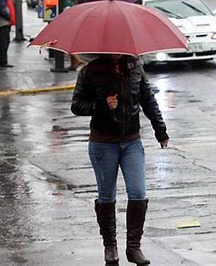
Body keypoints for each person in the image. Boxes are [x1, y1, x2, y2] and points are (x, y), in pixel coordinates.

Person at [71, 54, 169, 265]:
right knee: (106, 196)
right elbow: (76, 105)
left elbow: (148, 100)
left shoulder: (135, 67)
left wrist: (160, 129)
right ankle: (110, 246)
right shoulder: (90, 71)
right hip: (103, 143)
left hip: (131, 142)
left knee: (138, 192)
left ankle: (134, 248)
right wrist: (102, 104)